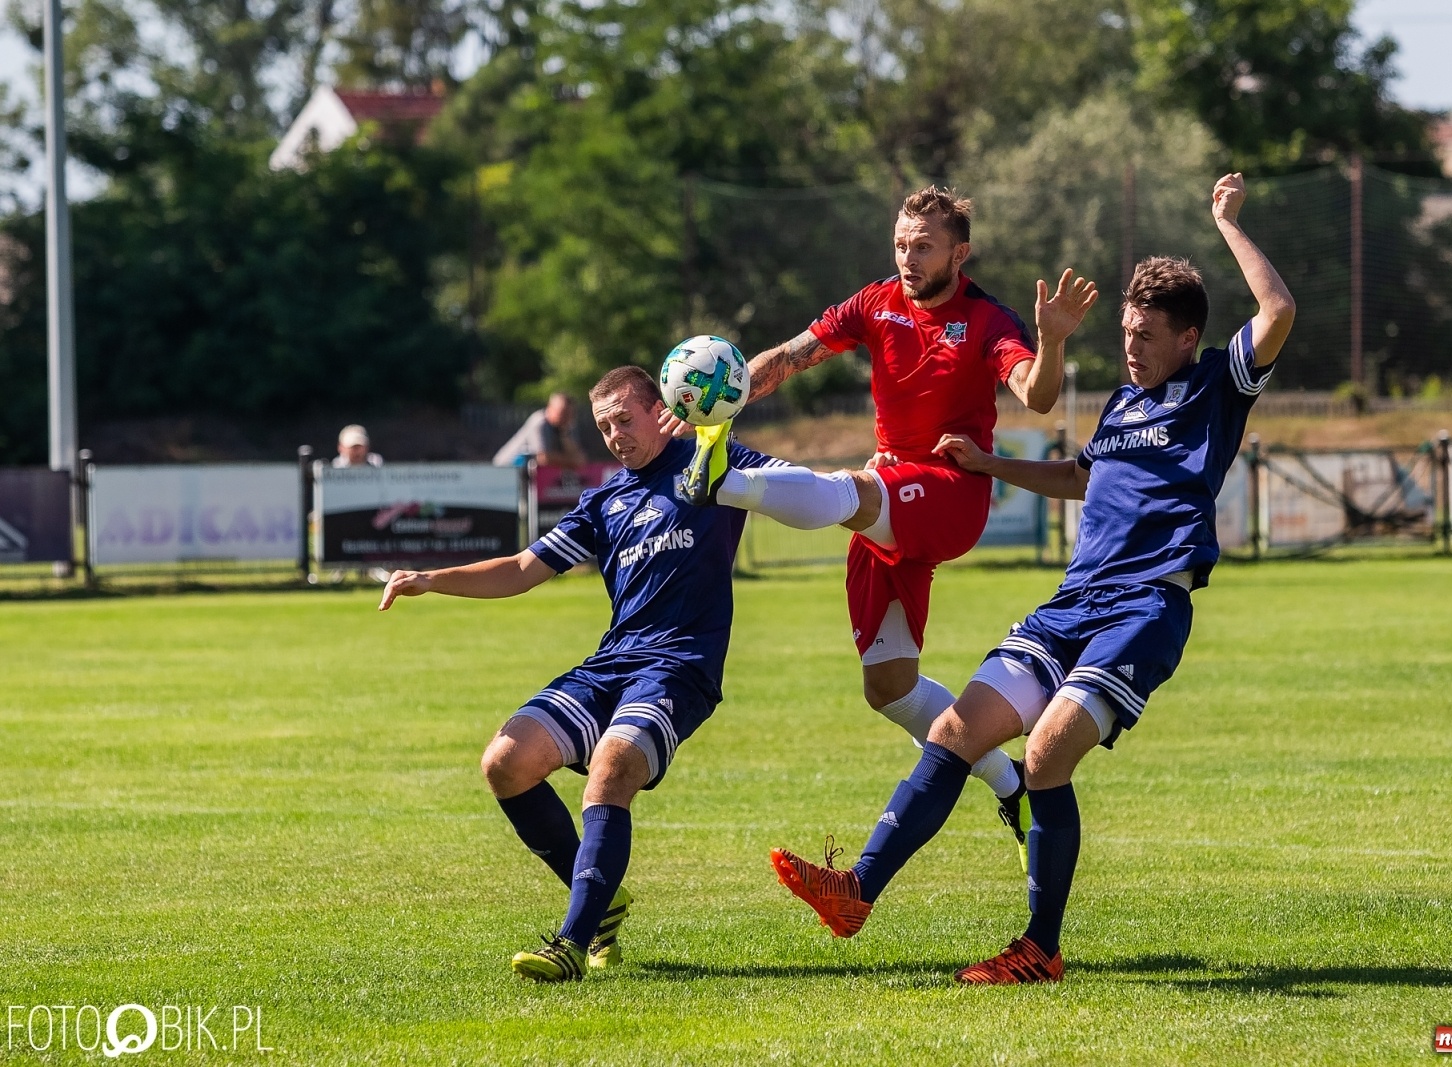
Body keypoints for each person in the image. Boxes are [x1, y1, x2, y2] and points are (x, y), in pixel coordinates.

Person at [767, 173, 1296, 984]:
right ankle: (856, 891)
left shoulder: (1214, 387)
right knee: (955, 730)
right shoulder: (1121, 406)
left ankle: (1039, 948)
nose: (1131, 347)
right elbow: (1080, 478)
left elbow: (1278, 310)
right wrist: (990, 464)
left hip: (1145, 607)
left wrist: (1226, 222)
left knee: (1045, 754)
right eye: (1125, 331)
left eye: (1147, 335)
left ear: (1188, 337)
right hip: (1073, 604)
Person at [668, 186, 1098, 867]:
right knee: (890, 688)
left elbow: (1037, 397)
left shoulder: (988, 319)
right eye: (900, 243)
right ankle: (1013, 787)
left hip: (950, 491)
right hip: (891, 502)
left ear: (960, 252)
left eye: (923, 246)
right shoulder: (874, 302)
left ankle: (724, 484)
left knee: (853, 491)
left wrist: (1051, 340)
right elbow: (791, 356)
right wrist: (721, 398)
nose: (907, 257)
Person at [379, 365, 786, 982]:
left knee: (610, 769)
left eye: (625, 419)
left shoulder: (715, 465)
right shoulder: (604, 501)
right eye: (603, 427)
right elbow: (522, 569)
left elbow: (802, 489)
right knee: (505, 763)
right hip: (613, 662)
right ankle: (602, 897)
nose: (615, 435)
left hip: (679, 666)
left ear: (661, 409)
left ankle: (572, 941)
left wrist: (871, 487)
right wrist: (431, 580)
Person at [494, 392, 587, 469]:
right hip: (506, 469)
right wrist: (571, 461)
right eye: (563, 413)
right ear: (550, 408)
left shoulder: (566, 427)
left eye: (569, 414)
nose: (566, 418)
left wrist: (565, 436)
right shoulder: (540, 423)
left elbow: (579, 459)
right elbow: (543, 458)